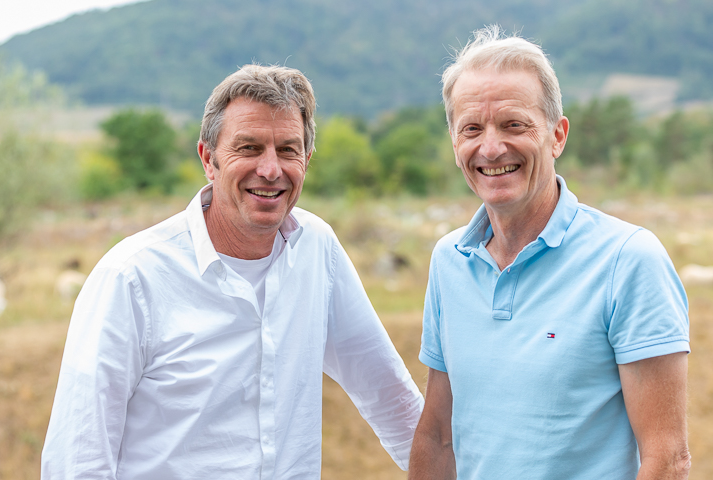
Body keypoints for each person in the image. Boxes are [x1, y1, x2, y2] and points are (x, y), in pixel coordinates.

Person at [42, 64, 424, 479]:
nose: (271, 169)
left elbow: (390, 396)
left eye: (288, 150)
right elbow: (77, 458)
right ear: (209, 159)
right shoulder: (131, 279)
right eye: (249, 148)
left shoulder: (317, 249)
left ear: (307, 160)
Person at [408, 26, 691, 480]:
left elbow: (666, 458)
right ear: (455, 145)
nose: (492, 147)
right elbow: (439, 434)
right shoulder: (448, 261)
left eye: (514, 124)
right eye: (472, 129)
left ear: (557, 136)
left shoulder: (628, 259)